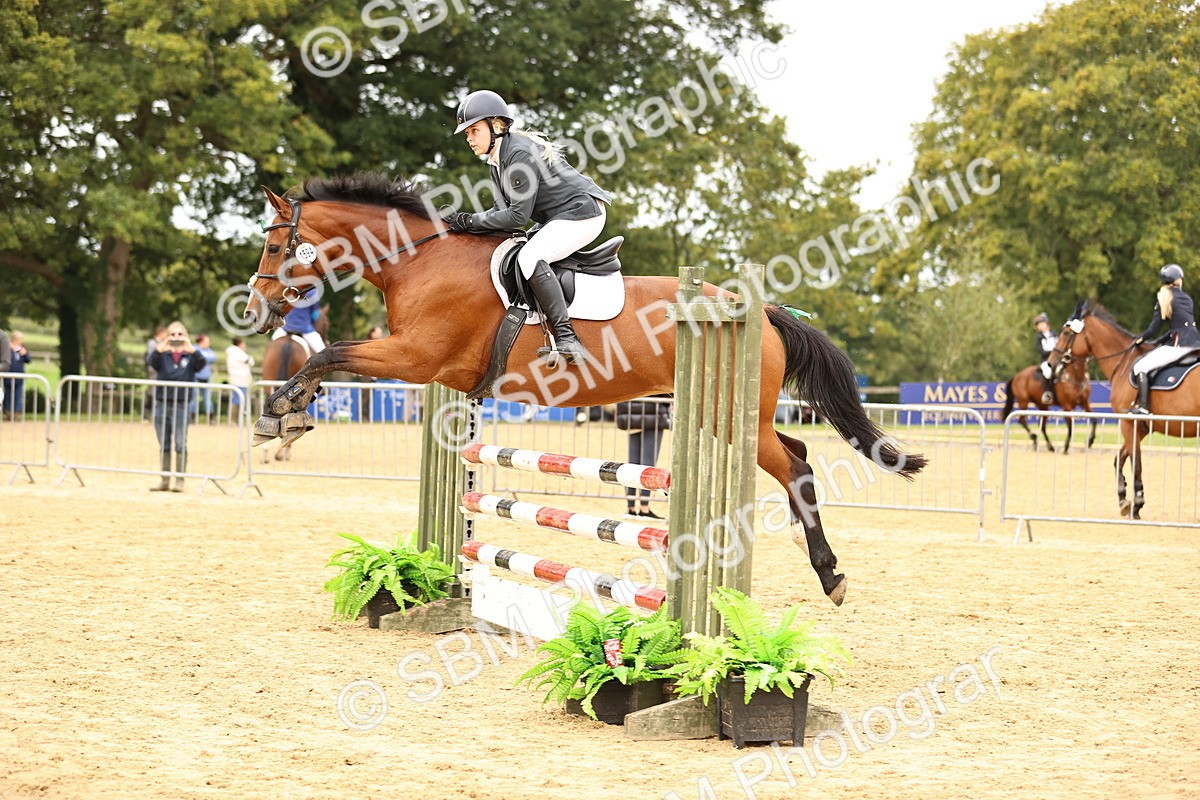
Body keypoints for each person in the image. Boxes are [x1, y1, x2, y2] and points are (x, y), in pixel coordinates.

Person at [442, 89, 613, 364]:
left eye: (473, 130)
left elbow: (517, 217)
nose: (469, 138)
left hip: (583, 213)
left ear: (495, 126)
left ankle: (568, 338)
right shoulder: (496, 162)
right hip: (560, 216)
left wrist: (471, 220)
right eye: (466, 133)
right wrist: (465, 225)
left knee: (531, 256)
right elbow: (500, 213)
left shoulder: (519, 155)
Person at [1129, 263, 1200, 415]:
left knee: (1140, 367)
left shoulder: (1164, 299)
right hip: (1194, 343)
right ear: (1179, 280)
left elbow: (1153, 329)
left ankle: (1143, 407)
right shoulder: (1187, 298)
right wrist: (1158, 342)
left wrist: (1140, 340)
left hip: (1179, 346)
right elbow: (1179, 327)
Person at [147, 321, 206, 492]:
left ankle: (180, 480)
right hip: (161, 404)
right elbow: (151, 362)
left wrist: (191, 348)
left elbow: (201, 364)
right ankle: (164, 480)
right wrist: (163, 345)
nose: (176, 337)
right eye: (173, 334)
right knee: (164, 443)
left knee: (180, 443)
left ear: (185, 336)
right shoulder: (162, 355)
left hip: (181, 404)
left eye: (180, 334)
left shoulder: (190, 356)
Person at [615, 396, 672, 518]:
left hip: (631, 413)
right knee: (648, 464)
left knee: (632, 464)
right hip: (652, 415)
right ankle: (644, 508)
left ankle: (630, 507)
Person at [225, 336, 255, 422]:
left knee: (236, 399)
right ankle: (235, 419)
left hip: (236, 379)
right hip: (240, 380)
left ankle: (234, 419)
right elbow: (250, 361)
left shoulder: (232, 352)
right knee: (238, 400)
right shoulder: (238, 353)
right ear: (240, 344)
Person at [3, 331, 32, 421]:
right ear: (15, 339)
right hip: (8, 376)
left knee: (18, 396)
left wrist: (25, 354)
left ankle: (16, 414)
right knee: (8, 395)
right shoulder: (7, 348)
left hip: (19, 377)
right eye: (20, 339)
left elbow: (28, 360)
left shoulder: (22, 349)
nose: (21, 341)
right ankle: (8, 413)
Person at [192, 333, 218, 423]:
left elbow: (214, 357)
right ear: (202, 341)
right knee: (193, 398)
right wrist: (205, 358)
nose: (208, 343)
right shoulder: (194, 348)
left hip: (206, 377)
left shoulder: (208, 350)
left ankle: (210, 417)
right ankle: (192, 417)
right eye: (207, 341)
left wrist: (202, 358)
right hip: (196, 377)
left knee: (207, 399)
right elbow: (203, 358)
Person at [144, 325, 167, 420]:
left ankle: (156, 414)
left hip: (161, 370)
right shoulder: (152, 343)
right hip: (153, 370)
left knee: (157, 392)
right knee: (152, 392)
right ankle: (147, 414)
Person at [1033, 312, 1058, 405]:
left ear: (1046, 323)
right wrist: (1051, 352)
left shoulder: (1055, 334)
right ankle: (1047, 392)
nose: (1040, 326)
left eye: (1041, 323)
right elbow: (1040, 350)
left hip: (1058, 358)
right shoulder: (1039, 337)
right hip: (1046, 360)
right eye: (1038, 325)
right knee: (1047, 372)